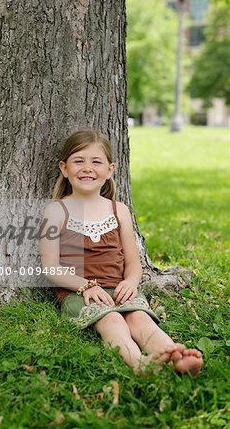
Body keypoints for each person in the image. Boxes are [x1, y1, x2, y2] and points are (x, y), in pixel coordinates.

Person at [40, 129, 203, 376]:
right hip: (79, 292)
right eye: (78, 161)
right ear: (64, 168)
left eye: (96, 161)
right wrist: (86, 286)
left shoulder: (119, 211)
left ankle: (175, 356)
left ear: (110, 170)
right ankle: (139, 364)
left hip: (118, 288)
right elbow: (51, 268)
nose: (87, 168)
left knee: (140, 318)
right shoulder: (56, 212)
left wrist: (131, 281)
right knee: (113, 321)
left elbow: (133, 263)